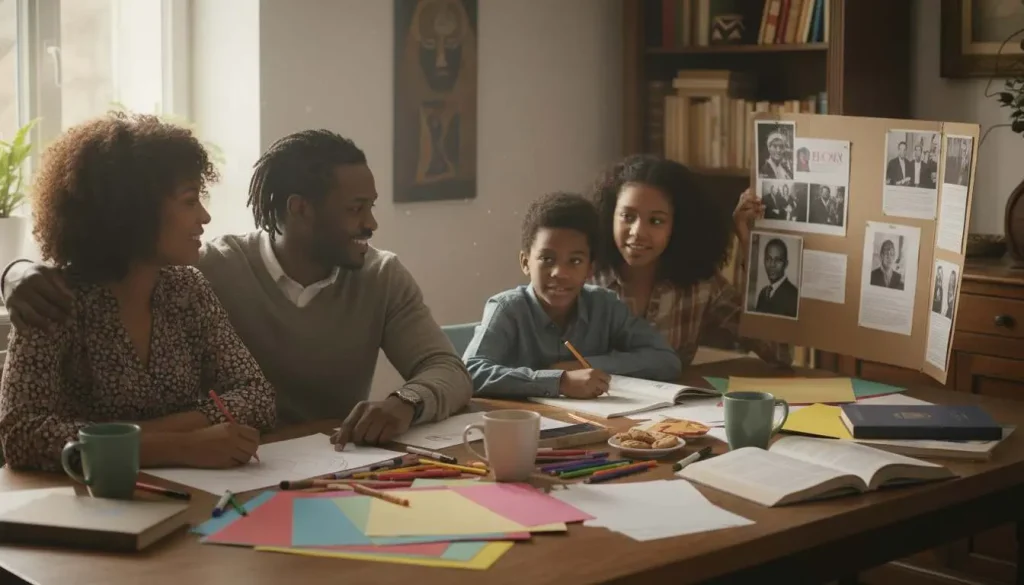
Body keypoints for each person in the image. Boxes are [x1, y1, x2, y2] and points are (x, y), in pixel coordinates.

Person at [0, 129, 472, 449]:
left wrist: (404, 402)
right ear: (300, 209)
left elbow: (447, 369)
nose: (370, 224)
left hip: (283, 471)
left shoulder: (188, 286)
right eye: (355, 209)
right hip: (166, 484)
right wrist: (14, 272)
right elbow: (22, 429)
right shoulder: (210, 267)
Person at [0, 112, 276, 471]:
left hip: (182, 490)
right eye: (190, 200)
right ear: (134, 211)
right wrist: (180, 446)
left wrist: (126, 438)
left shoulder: (187, 288)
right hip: (81, 504)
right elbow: (21, 435)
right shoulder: (51, 299)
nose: (205, 217)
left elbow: (257, 396)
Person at [463, 192, 681, 399]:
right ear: (525, 262)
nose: (560, 273)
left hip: (594, 425)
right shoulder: (508, 309)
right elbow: (469, 373)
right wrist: (560, 381)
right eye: (547, 259)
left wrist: (584, 365)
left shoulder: (605, 306)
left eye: (575, 261)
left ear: (590, 269)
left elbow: (666, 360)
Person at [590, 155, 791, 367]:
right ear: (609, 215)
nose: (638, 232)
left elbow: (778, 352)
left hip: (675, 400)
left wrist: (748, 241)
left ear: (677, 226)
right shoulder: (586, 279)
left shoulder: (700, 287)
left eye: (656, 221)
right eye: (628, 217)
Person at [754, 238, 799, 317]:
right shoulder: (763, 293)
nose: (772, 265)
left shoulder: (794, 296)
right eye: (768, 259)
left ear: (786, 264)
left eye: (777, 260)